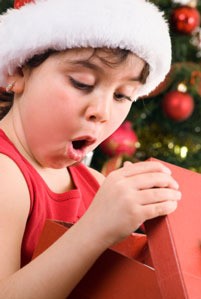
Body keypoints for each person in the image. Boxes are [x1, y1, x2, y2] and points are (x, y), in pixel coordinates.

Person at [0, 0, 181, 298]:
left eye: (123, 96)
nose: (102, 111)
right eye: (82, 83)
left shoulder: (96, 185)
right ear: (19, 71)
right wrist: (96, 228)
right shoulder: (6, 174)